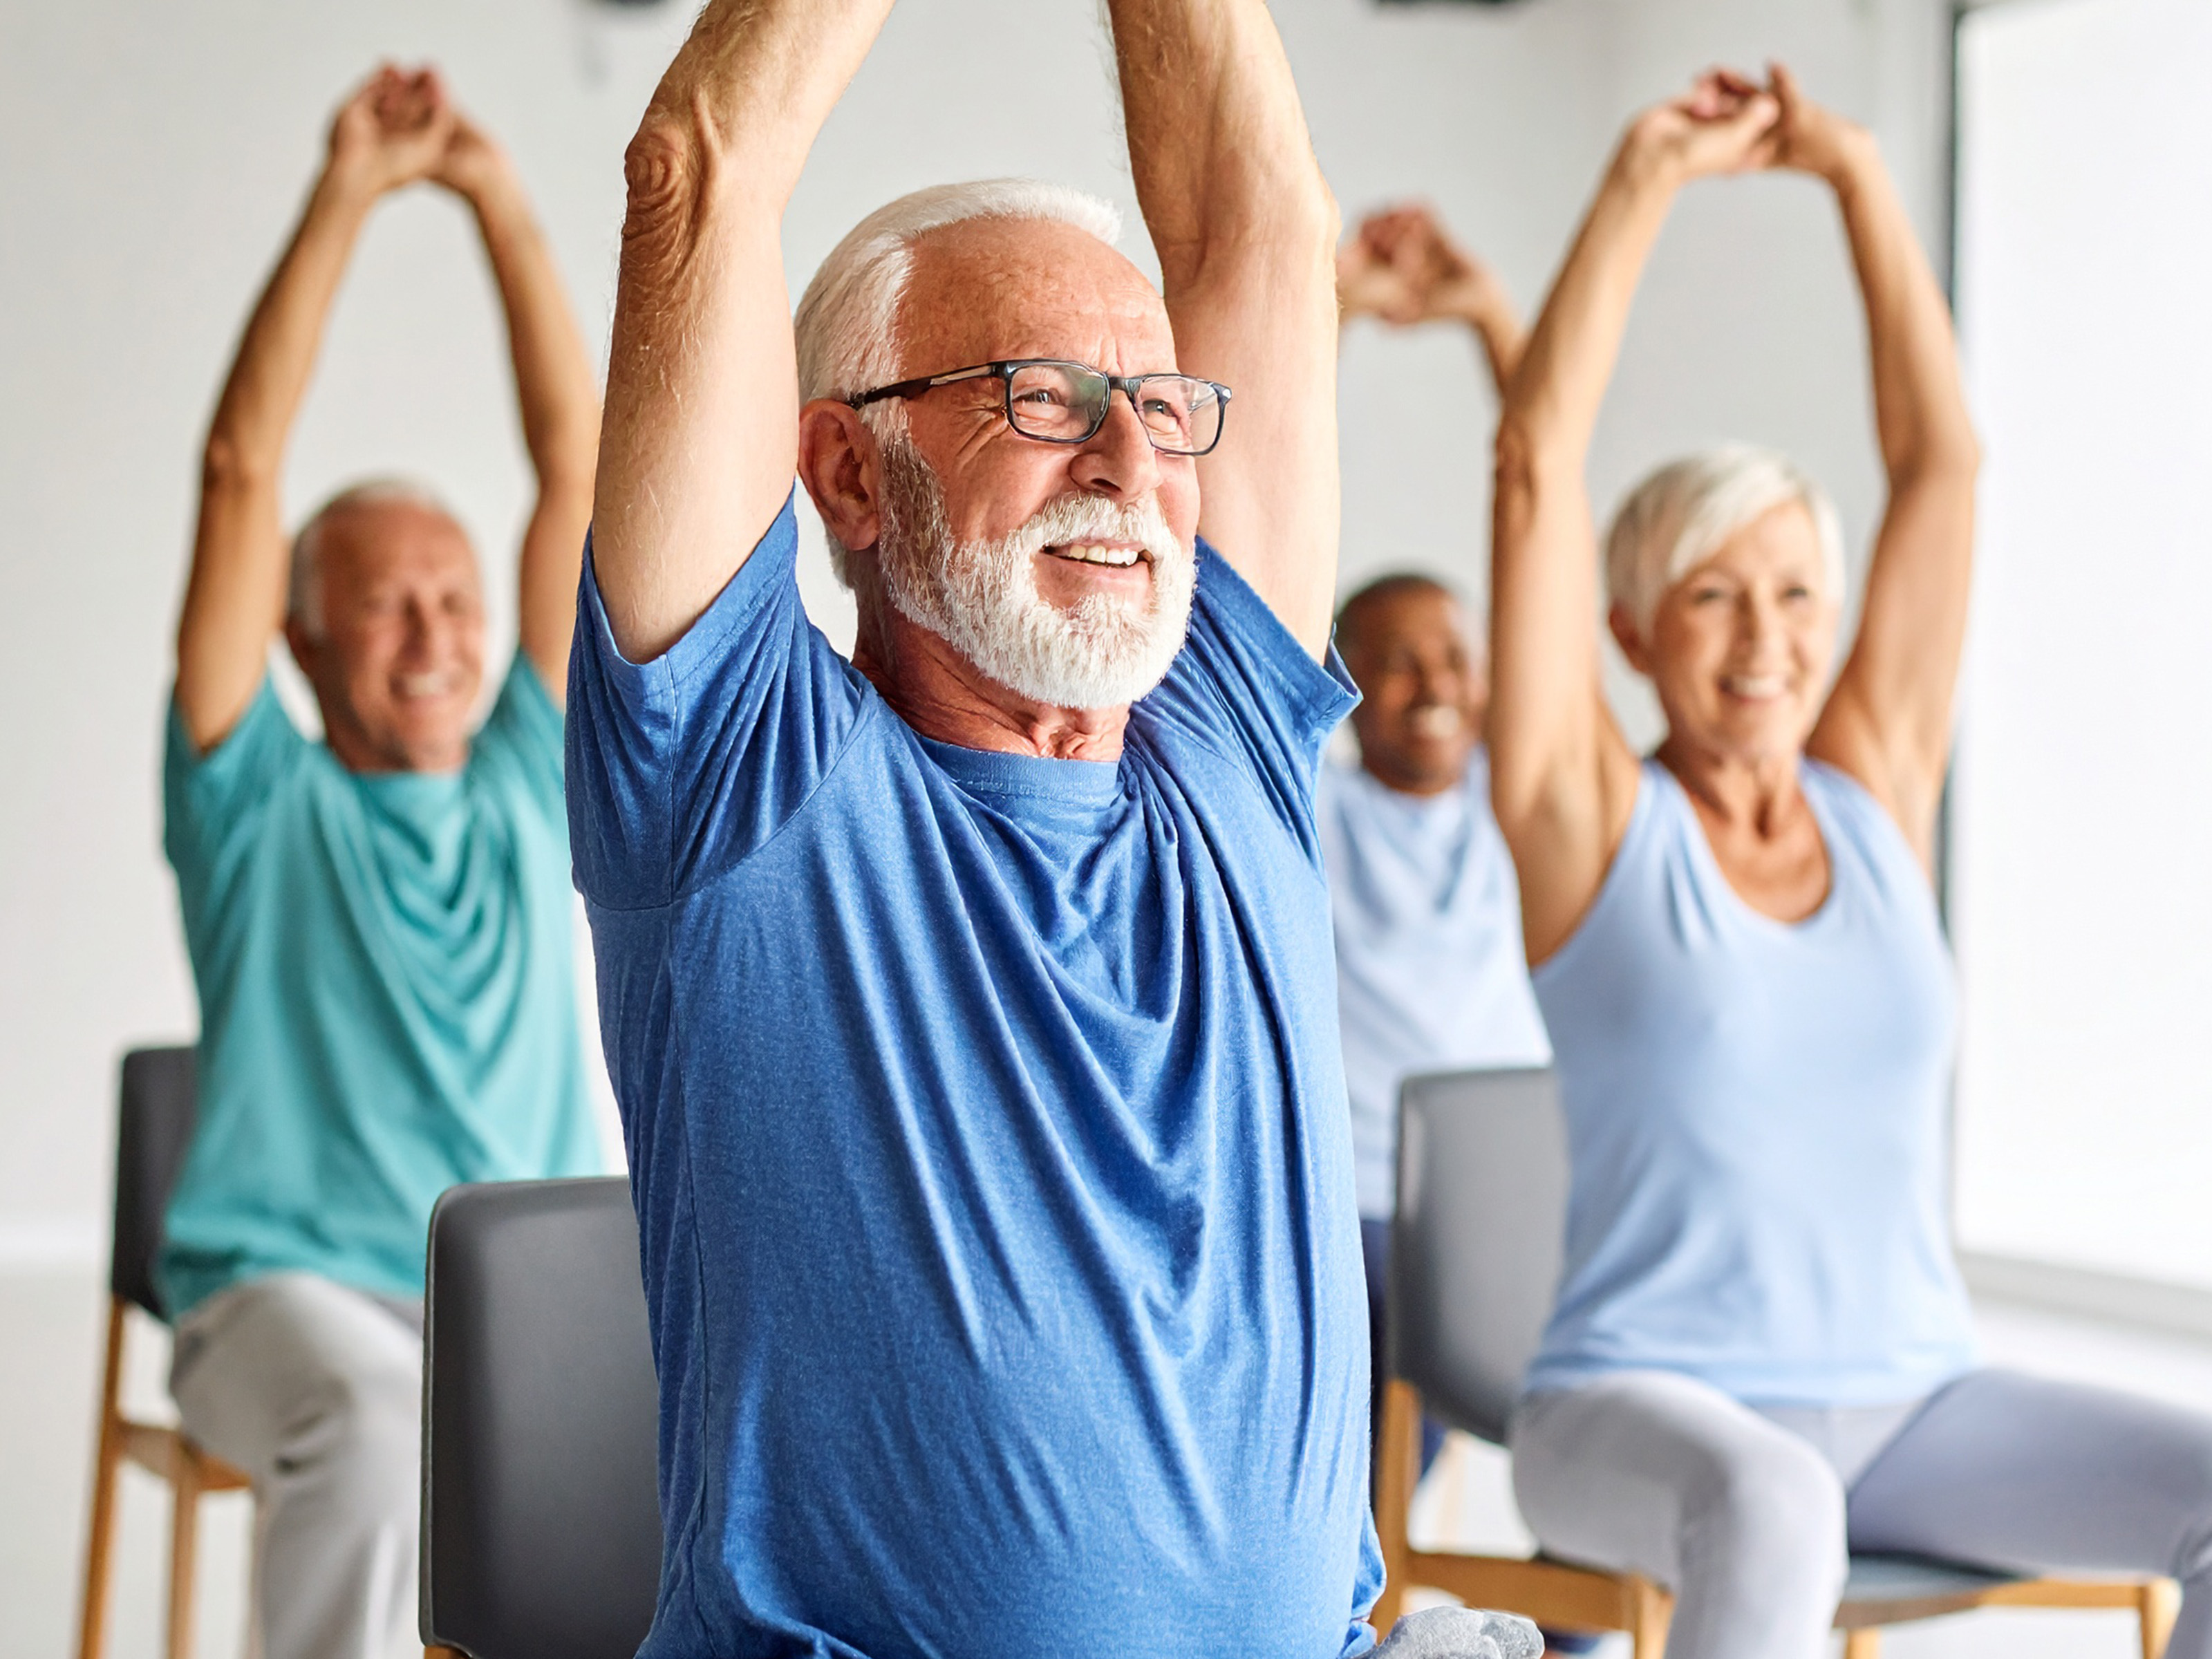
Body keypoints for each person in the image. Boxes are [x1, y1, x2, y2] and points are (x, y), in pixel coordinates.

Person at [568, 1, 1526, 1653]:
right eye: (1040, 398)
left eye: (1159, 404)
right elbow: (699, 170)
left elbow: (1251, 222)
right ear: (848, 476)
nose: (1126, 460)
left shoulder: (1226, 745)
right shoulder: (739, 775)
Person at [1481, 64, 2212, 1659]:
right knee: (1773, 1507)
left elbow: (1942, 466)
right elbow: (1534, 460)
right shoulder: (1585, 820)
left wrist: (1860, 176)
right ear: (1630, 633)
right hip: (1630, 1407)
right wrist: (1642, 180)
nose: (1765, 638)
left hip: (1914, 1402)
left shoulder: (1876, 789)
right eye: (1711, 596)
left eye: (1797, 594)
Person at [158, 66, 603, 1659]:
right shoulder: (254, 800)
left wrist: (498, 202)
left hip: (528, 1307)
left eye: (455, 599)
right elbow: (239, 468)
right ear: (301, 639)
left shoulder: (527, 779)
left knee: (739, 1417)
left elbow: (579, 471)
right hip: (283, 1302)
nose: (433, 637)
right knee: (372, 1421)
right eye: (382, 605)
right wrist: (345, 193)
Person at [1330, 207, 1550, 1472]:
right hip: (1354, 1215)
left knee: (1603, 1436)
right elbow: (1262, 524)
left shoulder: (1521, 814)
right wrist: (1334, 315)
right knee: (1369, 1479)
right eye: (1396, 662)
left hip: (1512, 1210)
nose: (1433, 687)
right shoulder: (1314, 809)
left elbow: (1544, 510)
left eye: (1456, 657)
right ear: (1342, 681)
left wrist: (1495, 326)